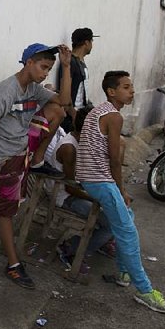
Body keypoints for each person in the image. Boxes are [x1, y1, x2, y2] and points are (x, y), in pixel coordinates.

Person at [76, 71, 165, 314]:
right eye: (126, 87)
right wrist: (120, 189)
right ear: (112, 91)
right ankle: (145, 291)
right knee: (128, 232)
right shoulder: (112, 116)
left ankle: (123, 271)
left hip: (93, 178)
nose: (131, 91)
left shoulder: (99, 111)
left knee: (127, 217)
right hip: (99, 180)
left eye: (131, 87)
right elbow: (114, 160)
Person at [0, 43, 72, 289]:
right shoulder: (7, 91)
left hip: (23, 150)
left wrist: (67, 66)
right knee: (7, 211)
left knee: (57, 111)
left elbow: (64, 101)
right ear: (28, 62)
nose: (45, 73)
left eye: (49, 69)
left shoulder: (32, 88)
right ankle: (12, 264)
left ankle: (38, 159)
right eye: (43, 67)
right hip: (7, 155)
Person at [46, 107, 115, 271]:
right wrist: (97, 198)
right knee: (112, 222)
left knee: (119, 210)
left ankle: (99, 241)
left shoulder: (82, 142)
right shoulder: (69, 148)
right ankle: (70, 248)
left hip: (78, 191)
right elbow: (71, 187)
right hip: (64, 196)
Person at [58, 27, 98, 132]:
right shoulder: (70, 61)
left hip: (81, 115)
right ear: (86, 42)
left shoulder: (80, 62)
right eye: (91, 41)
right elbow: (66, 89)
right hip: (71, 119)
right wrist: (73, 113)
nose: (92, 45)